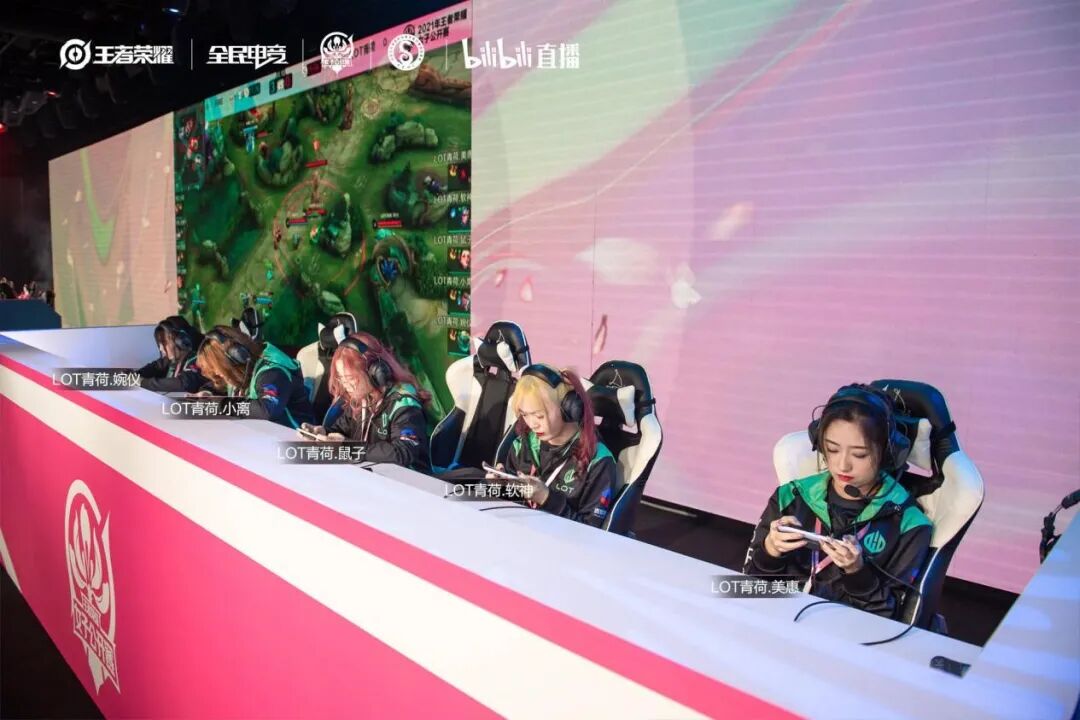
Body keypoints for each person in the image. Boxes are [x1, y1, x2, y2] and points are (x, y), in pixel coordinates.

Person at [743, 384, 932, 618]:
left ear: (888, 452)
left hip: (849, 634)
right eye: (832, 450)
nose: (843, 465)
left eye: (859, 454)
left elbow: (891, 620)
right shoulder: (790, 496)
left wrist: (857, 573)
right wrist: (770, 551)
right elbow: (746, 587)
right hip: (778, 620)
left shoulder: (909, 524)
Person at [490, 364, 618, 528]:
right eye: (525, 415)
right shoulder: (522, 445)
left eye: (539, 416)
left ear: (569, 408)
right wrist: (500, 490)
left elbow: (590, 533)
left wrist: (547, 499)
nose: (532, 424)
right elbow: (509, 508)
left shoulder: (598, 462)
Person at [298, 332, 431, 471]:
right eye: (341, 378)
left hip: (407, 479)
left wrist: (349, 448)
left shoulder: (405, 404)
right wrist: (322, 433)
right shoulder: (362, 396)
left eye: (351, 378)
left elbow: (403, 452)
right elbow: (342, 430)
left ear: (375, 372)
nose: (346, 385)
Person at [195, 325, 315, 428]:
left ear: (235, 357)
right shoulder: (242, 371)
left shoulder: (273, 373)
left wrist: (224, 405)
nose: (216, 373)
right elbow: (218, 385)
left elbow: (267, 410)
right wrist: (207, 393)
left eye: (216, 367)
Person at [137, 316, 209, 394]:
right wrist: (131, 377)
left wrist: (143, 383)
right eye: (160, 344)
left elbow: (183, 383)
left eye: (164, 343)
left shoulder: (197, 360)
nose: (161, 348)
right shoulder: (170, 360)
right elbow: (152, 368)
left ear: (179, 341)